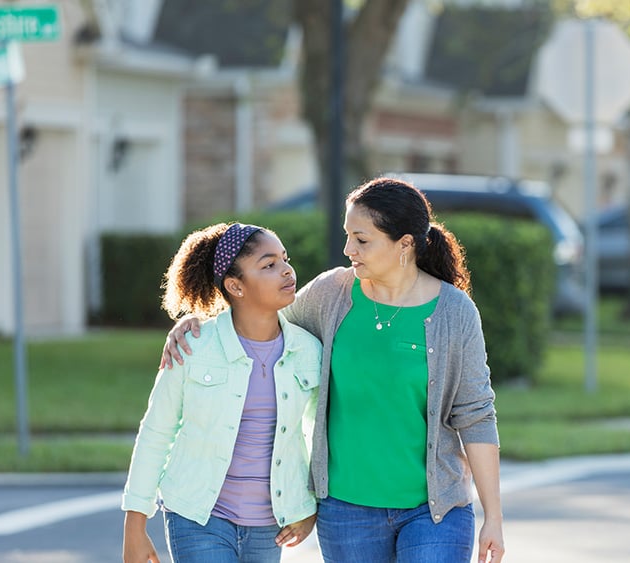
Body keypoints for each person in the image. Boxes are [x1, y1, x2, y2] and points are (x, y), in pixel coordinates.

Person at [161, 177, 506, 563]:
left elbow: (475, 414)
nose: (348, 250)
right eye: (348, 236)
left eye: (362, 240)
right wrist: (200, 324)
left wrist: (493, 517)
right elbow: (260, 324)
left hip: (434, 511)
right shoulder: (332, 295)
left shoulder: (454, 312)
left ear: (405, 244)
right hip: (347, 512)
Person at [123, 223, 321, 563]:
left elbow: (319, 435)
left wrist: (309, 507)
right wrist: (135, 526)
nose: (287, 270)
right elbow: (156, 431)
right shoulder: (192, 346)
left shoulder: (308, 350)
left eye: (284, 259)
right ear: (235, 286)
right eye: (268, 264)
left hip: (269, 526)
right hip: (197, 518)